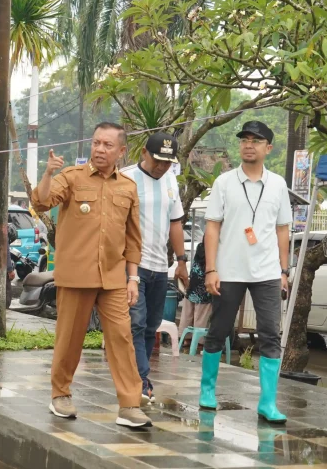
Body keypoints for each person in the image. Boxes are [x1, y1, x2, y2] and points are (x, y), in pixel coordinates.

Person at [30, 122, 151, 428]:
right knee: (70, 337)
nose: (100, 149)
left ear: (121, 151)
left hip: (112, 277)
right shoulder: (71, 177)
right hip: (76, 275)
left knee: (122, 337)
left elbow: (133, 238)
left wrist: (133, 278)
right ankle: (60, 394)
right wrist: (48, 173)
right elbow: (41, 201)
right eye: (96, 143)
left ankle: (129, 404)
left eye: (107, 145)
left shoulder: (127, 187)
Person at [199, 121, 292, 424]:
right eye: (244, 140)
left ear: (268, 147)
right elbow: (211, 228)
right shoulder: (224, 182)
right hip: (229, 270)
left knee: (270, 334)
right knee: (218, 329)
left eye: (256, 140)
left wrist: (283, 270)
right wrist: (211, 269)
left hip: (266, 273)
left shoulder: (278, 184)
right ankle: (207, 391)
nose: (249, 145)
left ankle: (267, 403)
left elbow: (282, 229)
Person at [121, 132, 189, 402]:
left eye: (168, 162)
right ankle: (140, 379)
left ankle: (138, 376)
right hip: (131, 266)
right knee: (135, 323)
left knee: (151, 326)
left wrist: (182, 261)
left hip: (160, 267)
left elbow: (175, 223)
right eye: (159, 160)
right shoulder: (126, 178)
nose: (163, 167)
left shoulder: (171, 180)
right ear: (144, 154)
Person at [178, 239, 212, 347]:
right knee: (200, 316)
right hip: (204, 289)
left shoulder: (200, 248)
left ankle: (185, 339)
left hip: (192, 286)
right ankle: (197, 342)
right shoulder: (212, 253)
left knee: (187, 314)